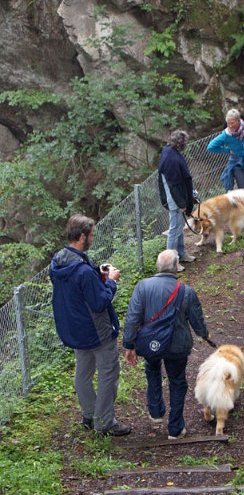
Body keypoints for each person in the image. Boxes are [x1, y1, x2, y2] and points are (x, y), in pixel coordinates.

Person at [50, 214, 131, 437]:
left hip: (75, 330)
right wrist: (111, 281)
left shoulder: (58, 261)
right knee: (108, 373)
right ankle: (104, 422)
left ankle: (89, 414)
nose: (93, 238)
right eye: (92, 235)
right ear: (82, 236)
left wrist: (98, 275)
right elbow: (99, 302)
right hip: (97, 331)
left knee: (83, 373)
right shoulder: (83, 271)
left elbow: (78, 288)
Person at [123, 249, 209, 440]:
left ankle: (156, 412)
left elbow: (132, 317)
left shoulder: (142, 287)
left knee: (152, 370)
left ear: (157, 266)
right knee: (177, 381)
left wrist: (129, 345)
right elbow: (196, 319)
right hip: (177, 345)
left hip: (150, 344)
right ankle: (175, 428)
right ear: (176, 267)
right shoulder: (186, 292)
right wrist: (204, 334)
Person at [158, 130, 196, 272]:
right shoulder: (171, 158)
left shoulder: (168, 151)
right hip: (175, 199)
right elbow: (173, 184)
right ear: (181, 143)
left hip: (177, 196)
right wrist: (181, 203)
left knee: (179, 228)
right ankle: (170, 263)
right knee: (174, 231)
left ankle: (181, 254)